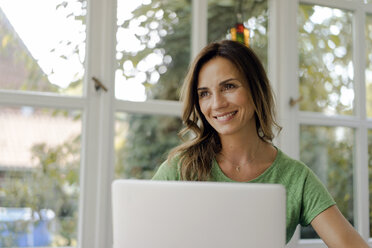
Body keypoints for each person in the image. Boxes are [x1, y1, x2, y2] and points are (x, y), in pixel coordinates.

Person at [152, 39, 369, 247]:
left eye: (228, 86)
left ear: (256, 89)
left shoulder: (295, 178)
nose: (217, 103)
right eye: (204, 93)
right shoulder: (180, 168)